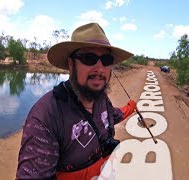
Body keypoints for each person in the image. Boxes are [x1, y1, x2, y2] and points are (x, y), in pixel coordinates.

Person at [16, 22, 136, 180]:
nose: (99, 69)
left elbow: (112, 115)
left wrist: (131, 107)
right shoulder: (46, 117)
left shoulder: (101, 99)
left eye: (106, 60)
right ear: (71, 64)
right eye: (89, 58)